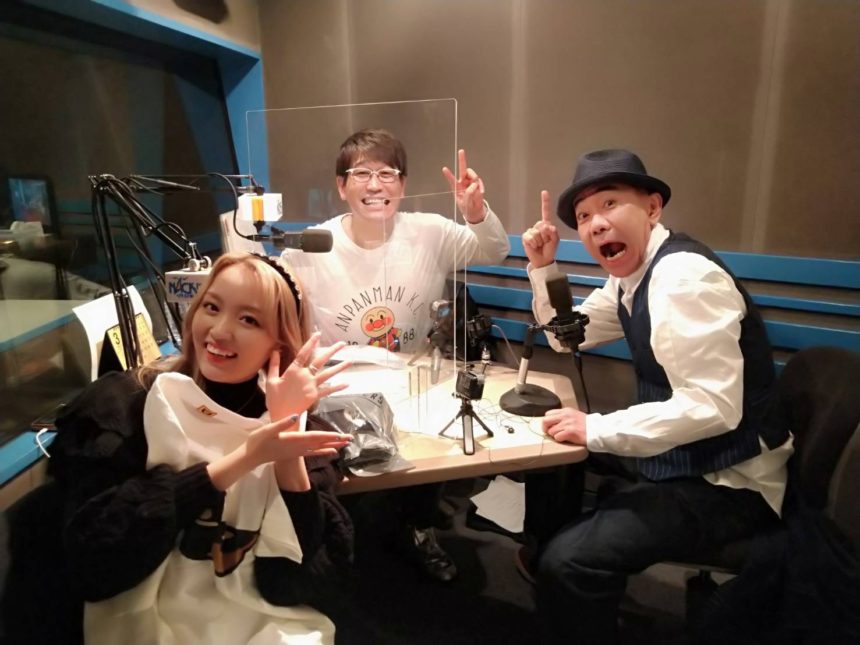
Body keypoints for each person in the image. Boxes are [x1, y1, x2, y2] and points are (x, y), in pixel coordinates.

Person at [521, 149, 794, 643]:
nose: (596, 224)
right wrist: (543, 268)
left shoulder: (683, 277)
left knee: (571, 562)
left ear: (652, 208)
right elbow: (568, 337)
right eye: (583, 216)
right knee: (552, 454)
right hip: (689, 455)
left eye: (609, 204)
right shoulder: (628, 278)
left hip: (731, 483)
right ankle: (545, 567)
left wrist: (596, 429)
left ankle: (563, 575)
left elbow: (712, 408)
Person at [47, 252, 357, 645]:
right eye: (211, 307)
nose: (220, 331)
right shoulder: (128, 406)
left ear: (278, 344)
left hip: (261, 624)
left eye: (249, 320)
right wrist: (243, 459)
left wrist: (285, 439)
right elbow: (95, 567)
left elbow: (297, 587)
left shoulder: (304, 431)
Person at [283, 129, 511, 583]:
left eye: (387, 173)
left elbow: (494, 250)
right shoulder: (312, 247)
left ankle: (418, 527)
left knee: (433, 446)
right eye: (361, 174)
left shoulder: (430, 231)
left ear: (403, 185)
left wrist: (475, 212)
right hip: (342, 382)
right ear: (341, 186)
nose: (375, 185)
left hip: (414, 375)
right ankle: (335, 538)